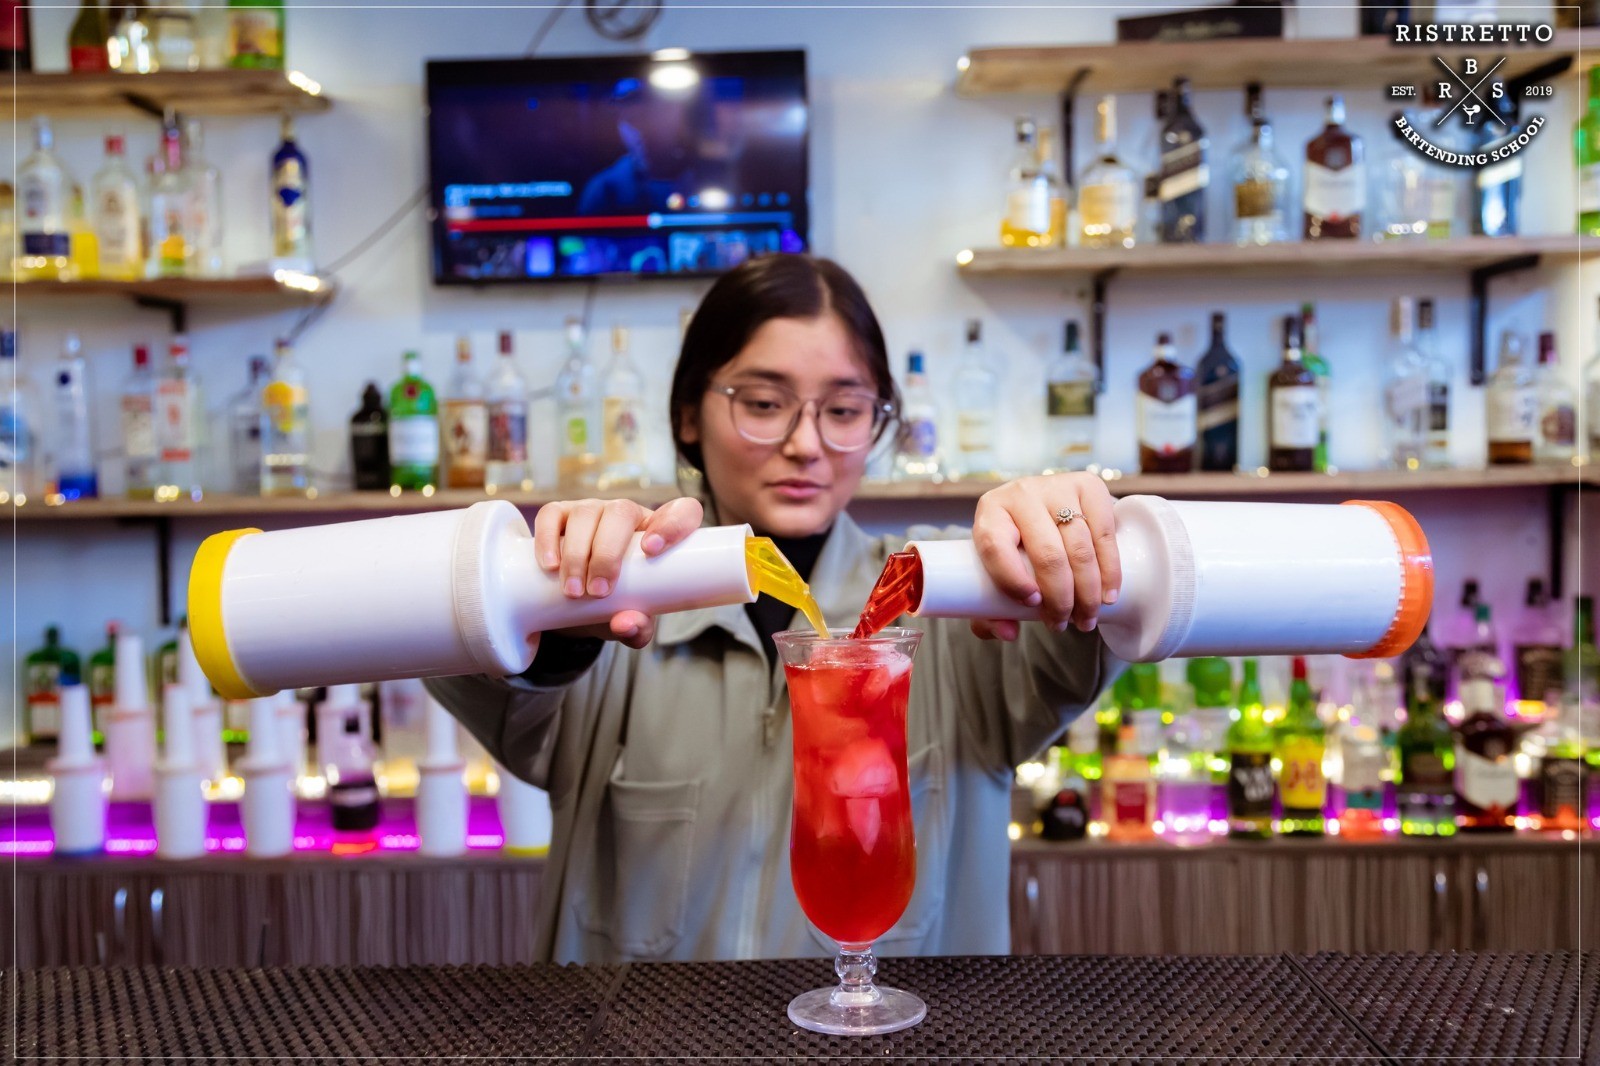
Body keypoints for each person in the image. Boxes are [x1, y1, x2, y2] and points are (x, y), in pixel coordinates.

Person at [427, 254, 1125, 964]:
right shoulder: (620, 612)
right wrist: (550, 605)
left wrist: (1065, 537)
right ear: (687, 415)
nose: (805, 444)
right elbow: (467, 657)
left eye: (844, 410)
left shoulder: (947, 605)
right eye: (763, 404)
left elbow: (1090, 636)